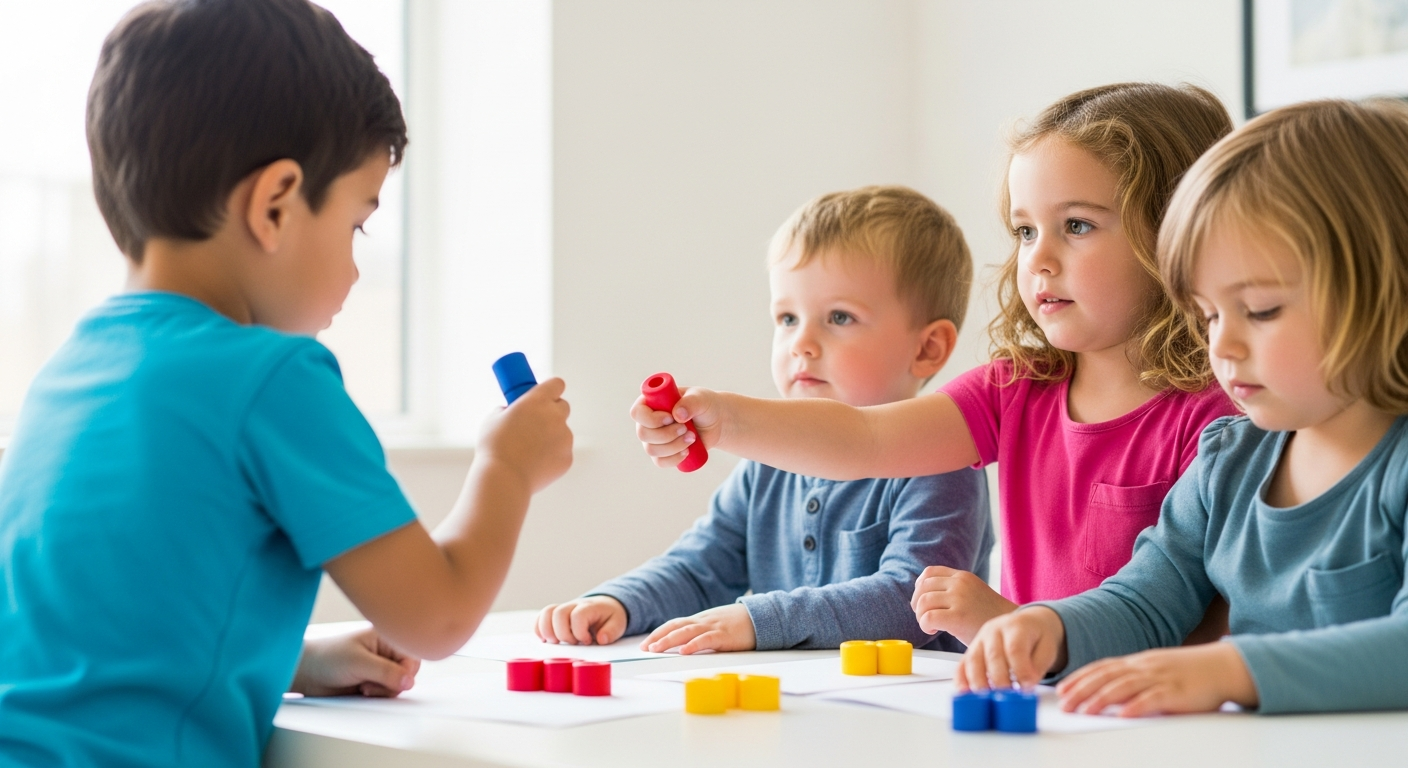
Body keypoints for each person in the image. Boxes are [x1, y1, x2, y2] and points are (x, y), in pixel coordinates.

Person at [0, 2, 572, 765]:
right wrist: (507, 466)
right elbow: (433, 620)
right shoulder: (270, 378)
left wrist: (294, 658)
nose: (357, 264)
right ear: (275, 204)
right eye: (356, 223)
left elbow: (94, 637)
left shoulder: (69, 372)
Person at [632, 83, 1238, 645]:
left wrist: (1016, 626)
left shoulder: (1220, 418)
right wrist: (723, 419)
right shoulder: (1015, 390)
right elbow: (867, 437)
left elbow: (1200, 618)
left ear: (1174, 235)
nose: (1039, 259)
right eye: (1025, 231)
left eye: (1076, 225)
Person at [956, 98, 1408, 716]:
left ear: (1390, 290)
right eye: (1208, 314)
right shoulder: (1229, 461)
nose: (1221, 344)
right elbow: (1145, 602)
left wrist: (1231, 669)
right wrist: (1049, 629)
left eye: (1261, 310)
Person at [537, 187, 991, 654]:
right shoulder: (769, 464)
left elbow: (911, 604)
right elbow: (702, 566)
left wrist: (757, 620)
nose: (802, 343)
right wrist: (622, 601)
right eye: (788, 318)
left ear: (926, 348)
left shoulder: (940, 461)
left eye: (839, 317)